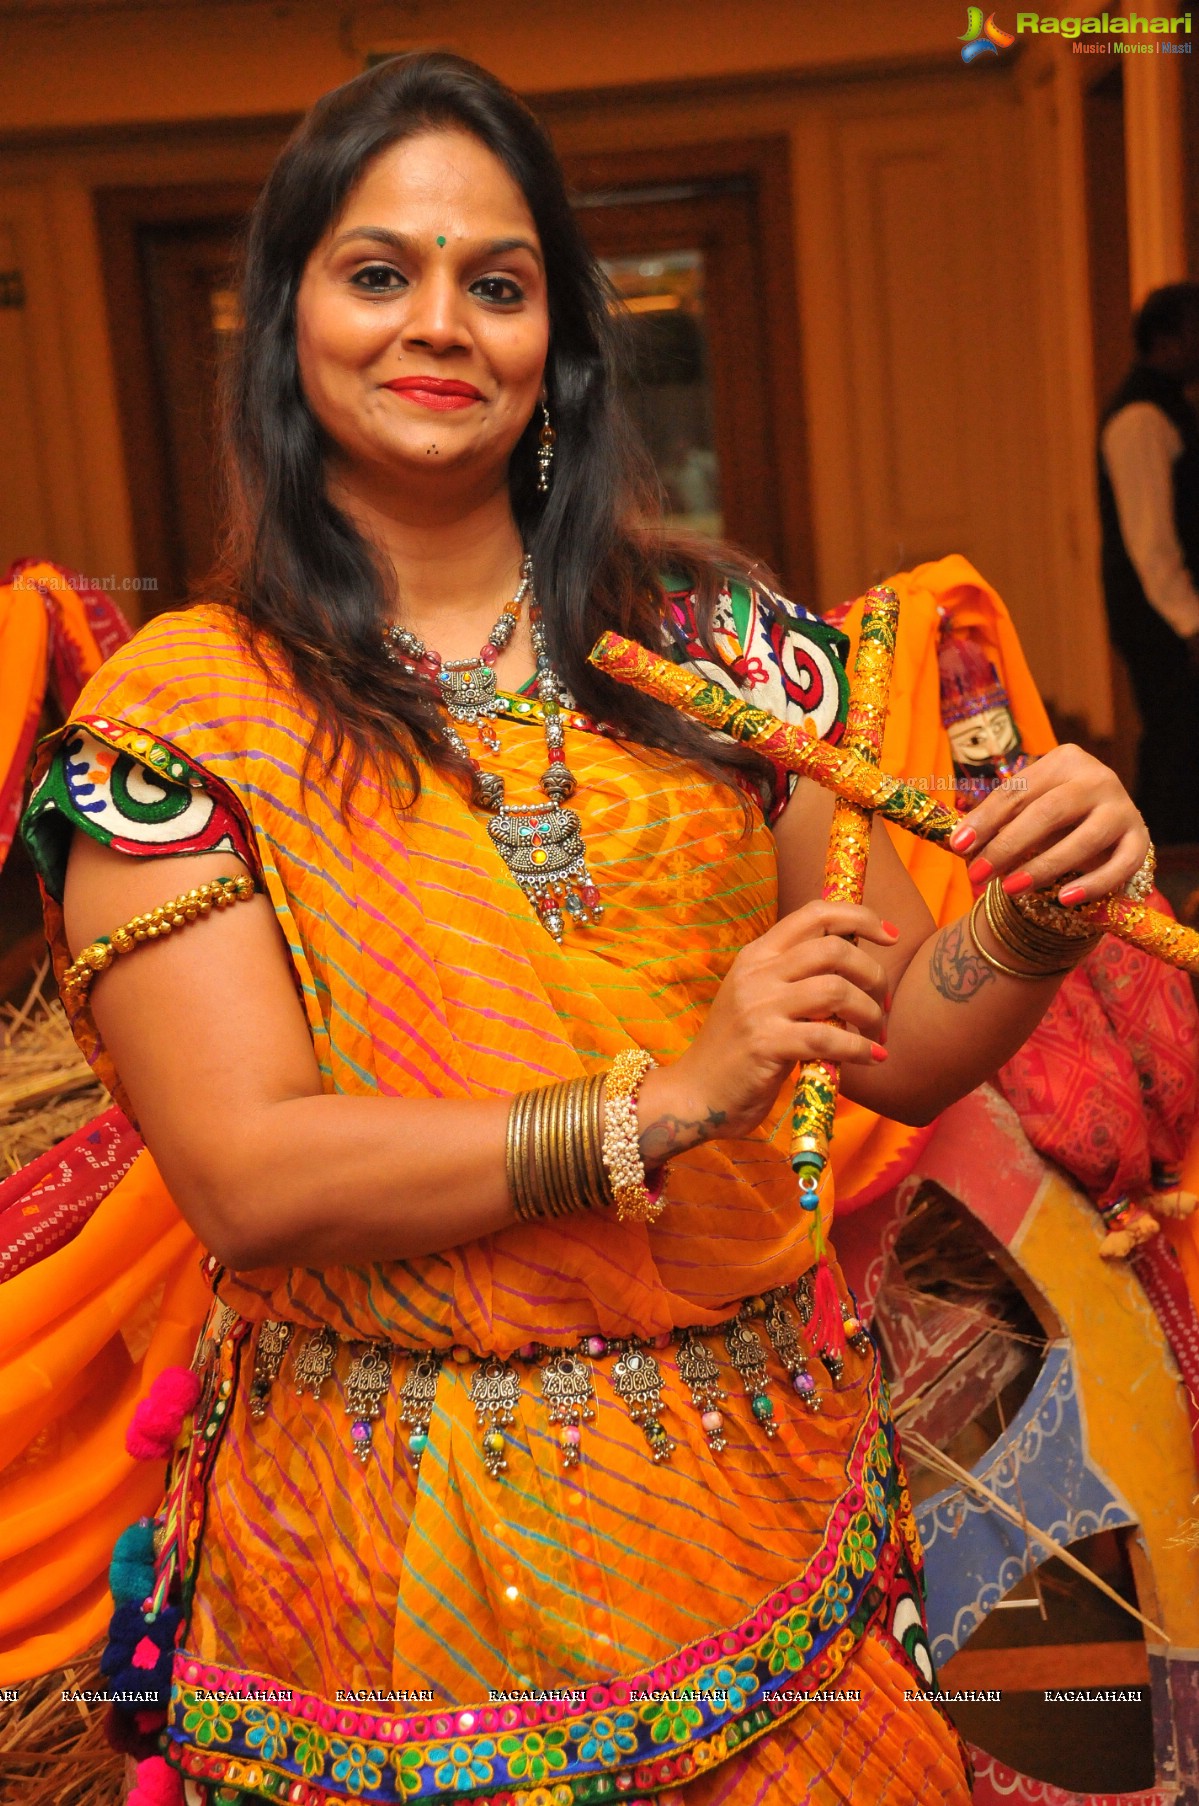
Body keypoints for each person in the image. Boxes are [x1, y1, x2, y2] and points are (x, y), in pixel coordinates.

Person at [21, 53, 1149, 1806]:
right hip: (403, 1566)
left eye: (497, 281)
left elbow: (903, 1042)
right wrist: (662, 1100)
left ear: (558, 336)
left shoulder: (712, 647)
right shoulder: (178, 732)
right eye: (376, 272)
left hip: (763, 1504)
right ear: (289, 326)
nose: (438, 325)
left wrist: (1026, 926)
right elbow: (249, 1171)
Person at [1098, 281, 1199, 844]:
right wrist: (1190, 621)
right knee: (1172, 739)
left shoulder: (1169, 408)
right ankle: (1160, 867)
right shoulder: (1140, 416)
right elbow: (1151, 539)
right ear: (1166, 339)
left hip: (1169, 614)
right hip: (1160, 617)